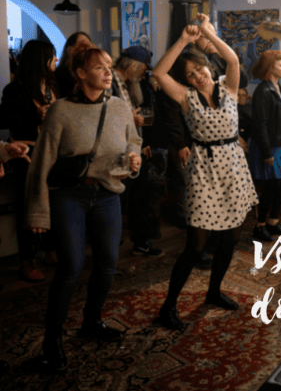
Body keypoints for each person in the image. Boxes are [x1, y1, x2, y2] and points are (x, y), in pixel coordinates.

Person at [23, 47, 141, 372]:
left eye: (109, 67)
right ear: (80, 73)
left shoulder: (119, 107)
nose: (107, 72)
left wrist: (134, 158)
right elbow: (41, 162)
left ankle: (92, 321)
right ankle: (52, 342)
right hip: (69, 196)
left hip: (107, 195)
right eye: (99, 67)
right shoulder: (60, 110)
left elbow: (133, 140)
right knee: (71, 267)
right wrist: (38, 212)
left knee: (108, 264)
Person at [152, 13, 257, 331]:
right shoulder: (185, 97)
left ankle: (214, 291)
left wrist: (208, 33)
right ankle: (168, 306)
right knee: (195, 244)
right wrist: (184, 40)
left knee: (231, 238)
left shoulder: (229, 87)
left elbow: (233, 59)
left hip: (233, 169)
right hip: (204, 173)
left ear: (208, 67)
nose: (197, 75)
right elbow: (159, 73)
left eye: (199, 68)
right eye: (190, 73)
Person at [0, 40, 60, 282]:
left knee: (54, 204)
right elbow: (7, 121)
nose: (56, 61)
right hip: (26, 154)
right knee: (29, 208)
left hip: (53, 153)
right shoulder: (15, 90)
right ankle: (27, 260)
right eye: (52, 57)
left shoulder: (53, 86)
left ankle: (51, 250)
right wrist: (37, 117)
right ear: (41, 60)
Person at [111, 45, 163, 258]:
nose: (145, 71)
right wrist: (130, 120)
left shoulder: (128, 83)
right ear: (133, 65)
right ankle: (110, 252)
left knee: (139, 196)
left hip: (132, 148)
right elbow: (105, 117)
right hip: (116, 152)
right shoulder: (111, 82)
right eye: (144, 67)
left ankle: (140, 242)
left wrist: (140, 139)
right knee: (119, 201)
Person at [249, 49, 281, 242]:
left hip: (278, 146)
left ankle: (272, 221)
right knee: (272, 187)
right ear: (270, 68)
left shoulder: (280, 90)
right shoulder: (263, 91)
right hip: (267, 147)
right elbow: (260, 125)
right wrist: (267, 153)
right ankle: (260, 225)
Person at [55, 32, 93, 98]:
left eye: (88, 46)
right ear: (71, 49)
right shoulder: (59, 74)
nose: (86, 49)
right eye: (82, 45)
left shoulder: (92, 71)